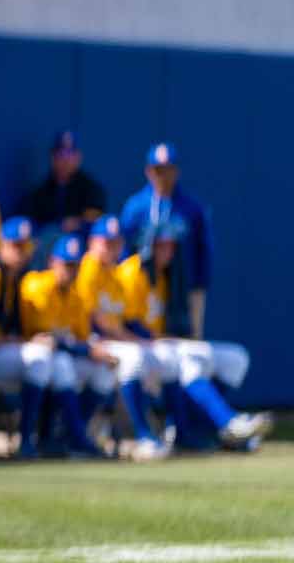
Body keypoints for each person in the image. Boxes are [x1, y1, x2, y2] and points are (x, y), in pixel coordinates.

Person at [118, 222, 268, 452]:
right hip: (138, 344)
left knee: (236, 357)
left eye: (170, 247)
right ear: (148, 246)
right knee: (186, 359)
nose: (167, 252)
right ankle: (227, 423)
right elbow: (128, 320)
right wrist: (158, 337)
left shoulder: (166, 276)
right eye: (161, 246)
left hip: (161, 342)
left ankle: (202, 428)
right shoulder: (133, 271)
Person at [0, 218, 73, 457]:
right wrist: (25, 342)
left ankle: (47, 439)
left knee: (54, 363)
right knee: (38, 357)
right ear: (1, 244)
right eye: (15, 245)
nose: (20, 252)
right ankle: (27, 441)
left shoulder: (17, 278)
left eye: (24, 246)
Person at [75, 216, 166, 460]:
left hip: (111, 341)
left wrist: (137, 338)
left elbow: (124, 319)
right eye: (105, 242)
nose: (110, 247)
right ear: (93, 242)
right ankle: (144, 435)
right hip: (89, 339)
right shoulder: (89, 267)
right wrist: (132, 339)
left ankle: (81, 434)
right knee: (134, 357)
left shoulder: (114, 274)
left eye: (114, 242)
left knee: (145, 359)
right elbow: (97, 321)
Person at [16, 235, 108, 457]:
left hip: (57, 354)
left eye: (75, 266)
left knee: (103, 370)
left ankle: (67, 436)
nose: (71, 271)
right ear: (52, 262)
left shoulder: (76, 296)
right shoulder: (37, 283)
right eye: (66, 265)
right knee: (59, 363)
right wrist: (84, 349)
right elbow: (45, 338)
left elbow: (79, 338)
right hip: (23, 349)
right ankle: (32, 439)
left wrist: (92, 350)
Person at [119, 142, 212, 338]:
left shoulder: (191, 208)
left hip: (184, 289)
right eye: (158, 169)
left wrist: (199, 286)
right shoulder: (136, 207)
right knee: (149, 343)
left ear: (176, 171)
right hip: (146, 288)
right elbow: (124, 247)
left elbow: (203, 249)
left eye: (168, 169)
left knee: (189, 346)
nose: (163, 175)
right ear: (148, 171)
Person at [15, 130, 105, 238]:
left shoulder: (91, 189)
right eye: (61, 154)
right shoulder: (41, 192)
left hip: (81, 245)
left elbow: (96, 221)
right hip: (50, 248)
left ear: (78, 158)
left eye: (70, 154)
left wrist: (78, 223)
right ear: (52, 158)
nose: (65, 160)